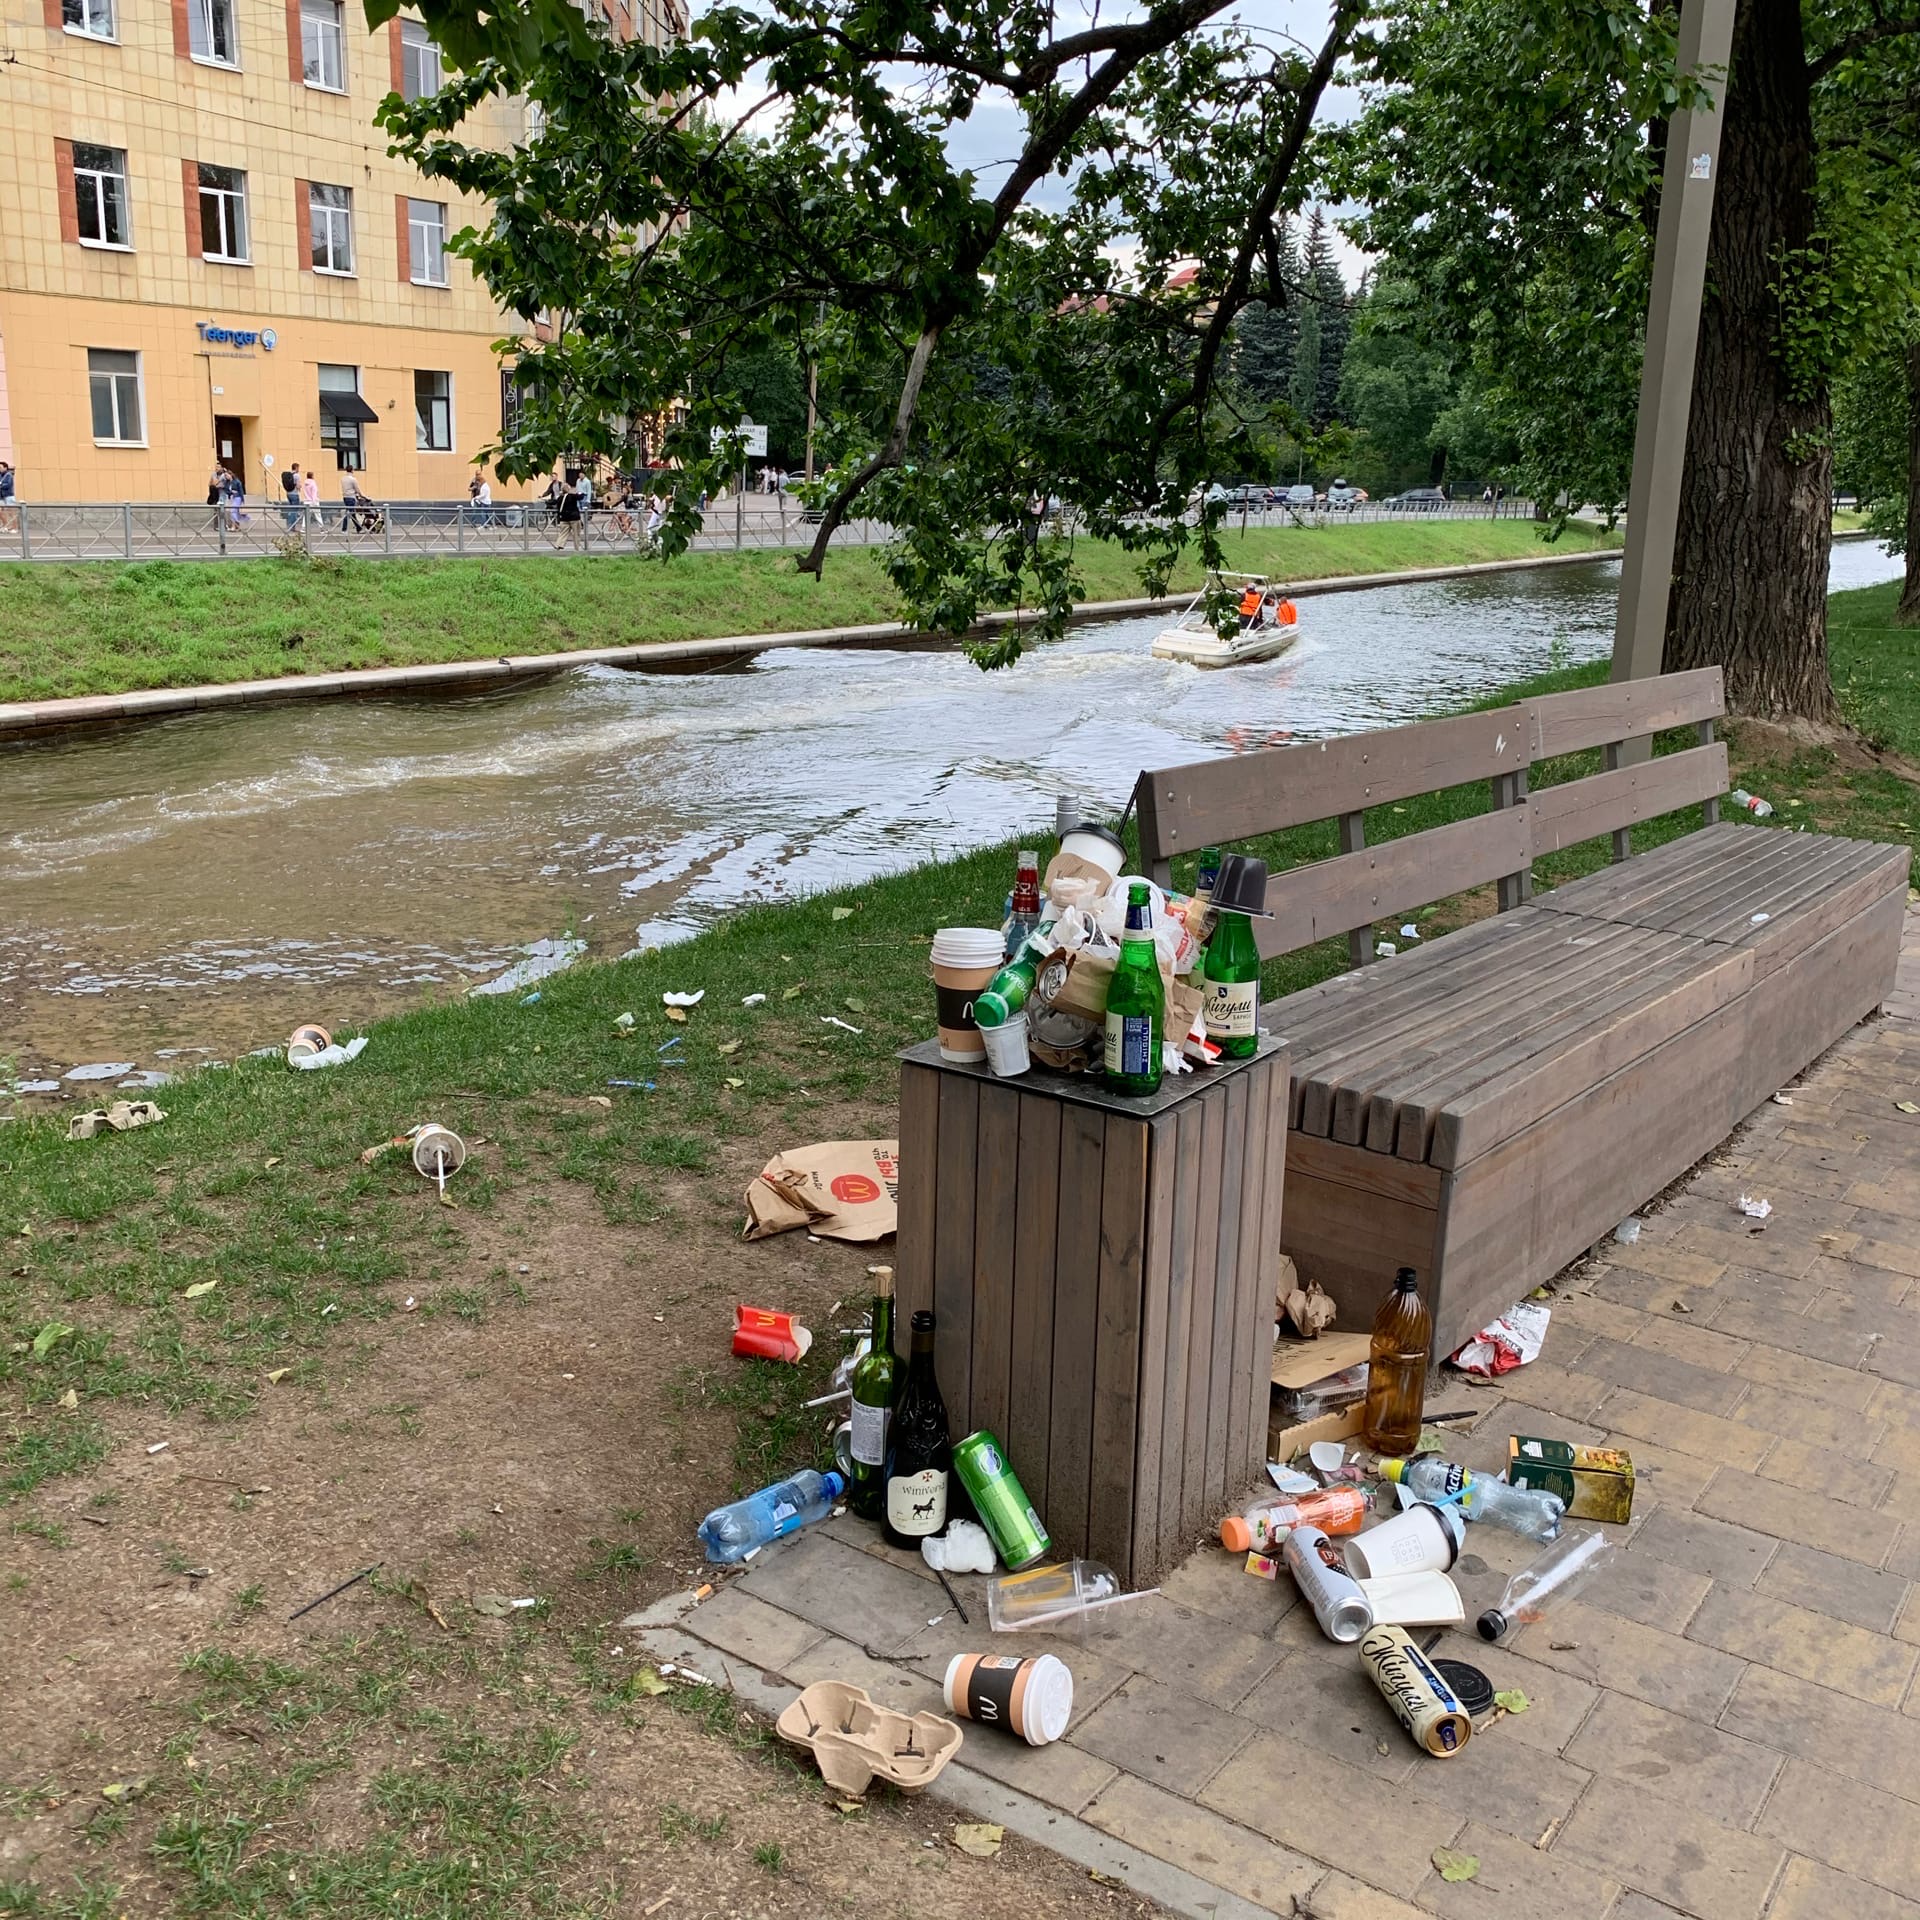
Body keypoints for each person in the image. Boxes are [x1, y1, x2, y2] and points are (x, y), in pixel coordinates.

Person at [281, 462, 303, 530]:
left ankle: (289, 525)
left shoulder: (289, 475)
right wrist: (300, 486)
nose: (298, 469)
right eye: (298, 468)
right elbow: (298, 486)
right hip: (294, 495)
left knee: (291, 510)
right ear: (296, 468)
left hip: (288, 494)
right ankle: (292, 526)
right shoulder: (297, 475)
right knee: (294, 511)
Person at [0, 460, 17, 533]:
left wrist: (1, 485)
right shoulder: (1, 475)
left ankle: (14, 528)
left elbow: (8, 485)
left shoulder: (8, 475)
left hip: (9, 496)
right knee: (2, 511)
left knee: (11, 512)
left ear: (5, 468)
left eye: (0, 467)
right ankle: (5, 526)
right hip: (2, 496)